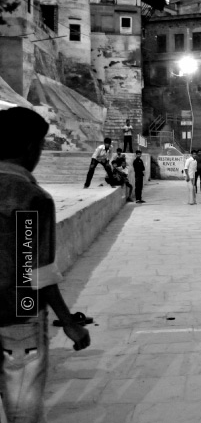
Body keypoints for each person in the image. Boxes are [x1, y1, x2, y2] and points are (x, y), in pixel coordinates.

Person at [0, 108, 91, 422]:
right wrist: (68, 321)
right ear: (30, 147)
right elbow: (34, 270)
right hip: (19, 313)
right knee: (22, 409)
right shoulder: (29, 196)